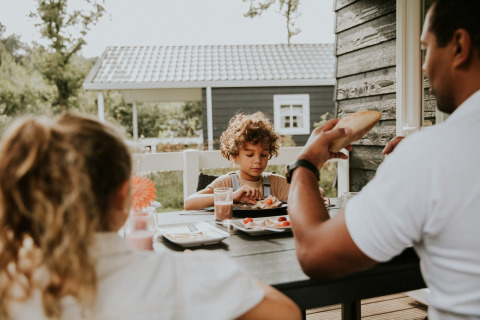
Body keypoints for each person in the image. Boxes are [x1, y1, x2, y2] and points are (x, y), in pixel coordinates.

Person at [0, 113, 301, 320]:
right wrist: (208, 270)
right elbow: (286, 313)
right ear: (123, 194)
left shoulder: (11, 281)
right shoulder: (180, 275)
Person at [287, 1, 480, 319]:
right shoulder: (434, 152)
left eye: (425, 49)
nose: (423, 66)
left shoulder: (430, 154)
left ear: (459, 46)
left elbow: (313, 253)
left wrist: (306, 162)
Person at [184, 112, 306, 210]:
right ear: (235, 155)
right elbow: (189, 203)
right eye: (249, 155)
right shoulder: (228, 182)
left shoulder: (276, 183)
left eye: (263, 155)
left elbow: (317, 193)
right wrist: (232, 196)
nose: (258, 161)